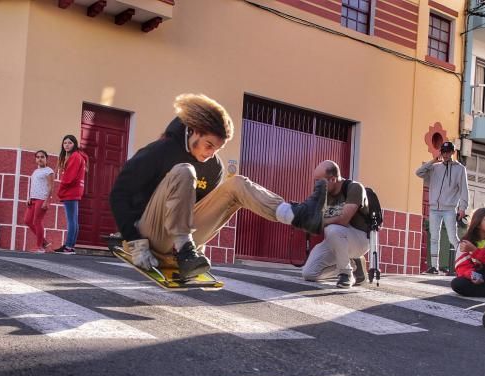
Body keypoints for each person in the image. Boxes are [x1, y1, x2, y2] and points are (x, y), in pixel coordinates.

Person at [109, 93, 327, 279]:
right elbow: (119, 194)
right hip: (147, 235)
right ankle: (185, 249)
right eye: (208, 145)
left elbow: (201, 212)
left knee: (237, 184)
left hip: (176, 244)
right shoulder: (159, 151)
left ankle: (297, 215)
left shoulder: (214, 167)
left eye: (217, 148)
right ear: (193, 130)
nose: (210, 153)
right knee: (185, 170)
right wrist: (134, 240)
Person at [301, 160, 370, 288]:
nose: (316, 185)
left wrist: (319, 223)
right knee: (309, 273)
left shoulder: (354, 188)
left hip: (359, 239)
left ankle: (346, 274)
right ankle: (353, 265)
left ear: (332, 179)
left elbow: (343, 220)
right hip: (336, 239)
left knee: (332, 229)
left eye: (319, 181)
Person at [415, 141, 468, 274]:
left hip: (449, 209)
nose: (445, 154)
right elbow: (419, 172)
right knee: (433, 237)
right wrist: (433, 161)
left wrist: (462, 207)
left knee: (452, 238)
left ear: (452, 152)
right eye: (443, 152)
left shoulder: (460, 169)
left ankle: (463, 265)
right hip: (434, 208)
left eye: (448, 152)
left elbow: (464, 189)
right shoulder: (434, 167)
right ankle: (434, 267)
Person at [450, 208, 485, 297]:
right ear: (478, 224)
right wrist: (472, 275)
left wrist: (475, 251)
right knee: (457, 283)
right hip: (481, 280)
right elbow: (462, 266)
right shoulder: (466, 241)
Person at [54, 135, 87, 255]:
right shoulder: (79, 157)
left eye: (69, 143)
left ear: (75, 144)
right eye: (65, 143)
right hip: (75, 191)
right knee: (74, 220)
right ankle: (71, 246)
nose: (67, 145)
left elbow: (69, 178)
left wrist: (60, 190)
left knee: (71, 220)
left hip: (70, 192)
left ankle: (68, 247)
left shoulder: (75, 157)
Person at [25, 150, 55, 253]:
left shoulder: (49, 171)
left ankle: (40, 247)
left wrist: (47, 201)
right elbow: (33, 185)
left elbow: (51, 187)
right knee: (27, 221)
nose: (40, 159)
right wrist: (29, 197)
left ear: (46, 159)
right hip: (33, 199)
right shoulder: (35, 171)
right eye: (38, 157)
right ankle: (45, 243)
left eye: (42, 157)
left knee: (37, 222)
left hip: (42, 199)